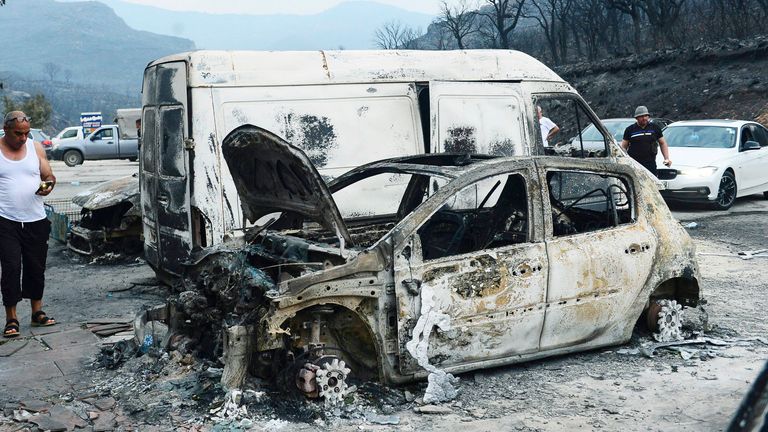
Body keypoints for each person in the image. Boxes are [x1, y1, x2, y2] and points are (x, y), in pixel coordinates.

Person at [0, 111, 57, 338]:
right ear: (6, 130)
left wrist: (49, 184)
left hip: (35, 218)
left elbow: (48, 174)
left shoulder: (36, 148)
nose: (23, 138)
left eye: (26, 133)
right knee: (11, 268)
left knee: (36, 267)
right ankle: (11, 318)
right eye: (18, 134)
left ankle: (37, 312)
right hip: (6, 220)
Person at [621, 106, 672, 176]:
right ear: (636, 118)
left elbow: (662, 143)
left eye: (646, 116)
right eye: (641, 116)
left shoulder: (655, 128)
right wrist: (624, 161)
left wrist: (666, 158)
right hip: (634, 163)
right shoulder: (630, 130)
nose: (644, 118)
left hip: (650, 163)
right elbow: (623, 147)